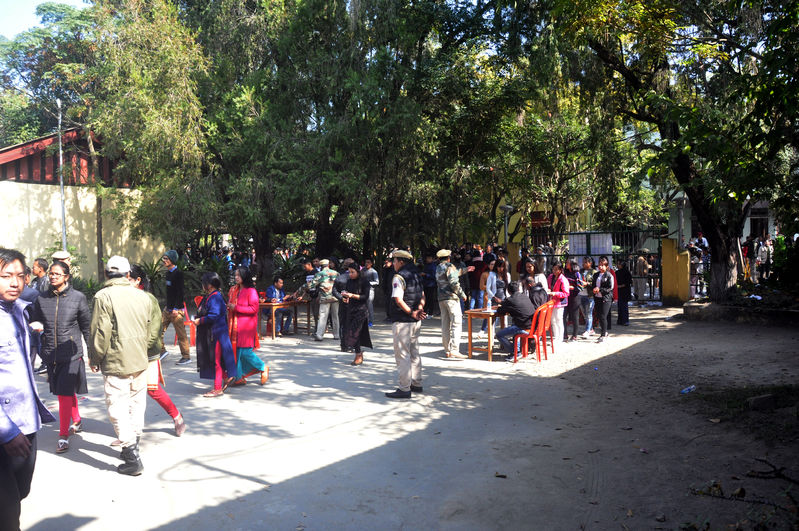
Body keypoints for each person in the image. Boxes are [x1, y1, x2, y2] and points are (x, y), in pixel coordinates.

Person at [89, 255, 160, 476]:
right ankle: (133, 443)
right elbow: (150, 330)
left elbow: (100, 332)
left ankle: (131, 455)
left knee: (117, 407)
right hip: (139, 359)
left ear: (106, 274)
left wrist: (94, 358)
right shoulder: (143, 296)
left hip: (116, 360)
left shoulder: (103, 296)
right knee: (136, 404)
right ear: (128, 274)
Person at [0, 248, 55, 530]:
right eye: (6, 275)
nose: (15, 282)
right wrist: (6, 431)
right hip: (6, 427)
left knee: (21, 491)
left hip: (27, 421)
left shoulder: (19, 310)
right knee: (7, 510)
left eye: (20, 276)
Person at [28, 261, 90, 454]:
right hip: (50, 353)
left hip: (71, 353)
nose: (53, 276)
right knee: (65, 391)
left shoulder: (78, 298)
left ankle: (63, 436)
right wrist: (36, 326)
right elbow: (34, 319)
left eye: (57, 274)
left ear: (66, 276)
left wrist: (93, 354)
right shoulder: (42, 298)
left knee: (63, 393)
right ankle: (76, 420)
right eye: (51, 274)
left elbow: (87, 328)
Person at [128, 264, 186, 439]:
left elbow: (155, 330)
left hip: (147, 353)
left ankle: (176, 416)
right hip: (127, 352)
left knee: (153, 389)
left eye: (127, 279)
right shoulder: (123, 298)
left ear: (137, 280)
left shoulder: (149, 299)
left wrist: (143, 347)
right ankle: (129, 431)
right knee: (127, 391)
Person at [385, 250, 425, 399]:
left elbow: (398, 299)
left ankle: (404, 388)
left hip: (403, 321)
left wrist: (411, 312)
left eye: (394, 261)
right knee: (414, 352)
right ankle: (416, 383)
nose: (393, 264)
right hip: (415, 321)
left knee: (402, 355)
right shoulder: (416, 274)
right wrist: (419, 310)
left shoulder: (399, 277)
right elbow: (423, 295)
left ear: (401, 262)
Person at [193, 272, 239, 397]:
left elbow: (213, 315)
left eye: (204, 283)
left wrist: (200, 320)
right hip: (216, 332)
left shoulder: (215, 297)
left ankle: (217, 388)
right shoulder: (213, 295)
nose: (202, 285)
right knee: (217, 359)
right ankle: (226, 378)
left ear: (209, 285)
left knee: (216, 361)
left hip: (216, 333)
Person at [228, 267, 268, 386]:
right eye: (235, 275)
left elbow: (254, 309)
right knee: (237, 351)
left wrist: (236, 308)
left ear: (245, 276)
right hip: (236, 324)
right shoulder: (235, 290)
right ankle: (239, 377)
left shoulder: (251, 291)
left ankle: (262, 366)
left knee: (245, 352)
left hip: (247, 325)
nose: (236, 277)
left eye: (239, 275)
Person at [435, 249, 468, 359]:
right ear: (448, 258)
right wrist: (462, 294)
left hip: (441, 298)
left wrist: (465, 270)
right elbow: (454, 282)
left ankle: (447, 350)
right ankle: (455, 349)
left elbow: (453, 274)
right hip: (451, 298)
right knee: (456, 323)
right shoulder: (450, 266)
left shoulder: (438, 267)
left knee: (445, 325)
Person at [160, 250, 191, 365]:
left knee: (181, 335)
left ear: (172, 260)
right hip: (167, 309)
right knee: (157, 331)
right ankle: (162, 351)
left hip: (176, 311)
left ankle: (186, 357)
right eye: (164, 258)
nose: (164, 261)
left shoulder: (178, 274)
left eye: (166, 258)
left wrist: (176, 308)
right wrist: (168, 306)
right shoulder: (168, 273)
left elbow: (180, 293)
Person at [340, 262, 373, 366]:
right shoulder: (349, 281)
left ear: (358, 272)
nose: (350, 274)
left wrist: (352, 295)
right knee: (350, 331)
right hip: (350, 309)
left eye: (352, 272)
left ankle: (358, 354)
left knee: (355, 332)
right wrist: (345, 297)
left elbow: (365, 297)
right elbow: (347, 294)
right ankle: (358, 353)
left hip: (361, 310)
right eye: (349, 272)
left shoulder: (365, 282)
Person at [495, 281, 536, 359]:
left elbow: (500, 311)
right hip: (532, 325)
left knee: (499, 335)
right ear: (518, 289)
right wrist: (503, 303)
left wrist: (502, 305)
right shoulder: (524, 296)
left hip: (522, 327)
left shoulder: (510, 300)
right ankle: (517, 349)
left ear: (508, 291)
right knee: (514, 324)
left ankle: (515, 351)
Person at [301, 259, 340, 342]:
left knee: (322, 316)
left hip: (325, 297)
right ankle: (337, 334)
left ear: (321, 266)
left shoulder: (320, 274)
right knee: (335, 316)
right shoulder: (336, 273)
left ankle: (319, 335)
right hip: (335, 297)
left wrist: (303, 288)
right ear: (328, 265)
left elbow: (311, 285)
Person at [593, 256, 614, 343]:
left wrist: (600, 290)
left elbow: (610, 288)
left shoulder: (609, 275)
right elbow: (593, 285)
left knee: (603, 316)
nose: (600, 267)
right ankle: (604, 332)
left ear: (607, 266)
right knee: (599, 316)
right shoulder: (596, 275)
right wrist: (594, 289)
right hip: (597, 298)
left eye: (602, 265)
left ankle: (603, 334)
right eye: (599, 264)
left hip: (606, 298)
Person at [548, 263, 570, 344]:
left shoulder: (563, 279)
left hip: (559, 303)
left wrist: (555, 293)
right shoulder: (550, 277)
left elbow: (566, 293)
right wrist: (549, 290)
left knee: (559, 319)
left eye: (556, 269)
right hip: (551, 301)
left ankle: (560, 338)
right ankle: (556, 337)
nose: (554, 271)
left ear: (560, 270)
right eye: (553, 269)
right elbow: (549, 286)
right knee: (552, 320)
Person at [562, 258, 582, 342]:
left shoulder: (577, 274)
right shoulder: (564, 273)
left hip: (574, 298)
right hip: (565, 297)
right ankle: (565, 334)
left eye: (567, 262)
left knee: (575, 317)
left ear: (572, 264)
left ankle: (574, 335)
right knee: (563, 316)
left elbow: (580, 287)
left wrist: (572, 287)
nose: (566, 264)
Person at [578, 257, 596, 338]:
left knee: (589, 313)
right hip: (581, 294)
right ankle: (591, 329)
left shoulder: (594, 272)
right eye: (583, 262)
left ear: (590, 263)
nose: (583, 264)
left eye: (585, 262)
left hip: (589, 295)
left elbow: (595, 283)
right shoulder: (580, 271)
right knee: (584, 314)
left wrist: (587, 284)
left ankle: (587, 330)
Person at [362, 258, 379, 327]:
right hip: (362, 290)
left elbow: (377, 282)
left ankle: (371, 321)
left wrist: (368, 283)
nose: (366, 264)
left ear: (371, 264)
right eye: (366, 262)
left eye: (368, 262)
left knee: (369, 305)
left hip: (370, 290)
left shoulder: (374, 272)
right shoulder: (362, 270)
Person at [616, 261, 632, 326]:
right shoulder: (617, 272)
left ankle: (625, 320)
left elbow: (628, 282)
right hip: (619, 291)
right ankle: (620, 320)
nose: (617, 265)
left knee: (624, 306)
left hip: (625, 291)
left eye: (619, 264)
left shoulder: (626, 272)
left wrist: (621, 286)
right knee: (619, 306)